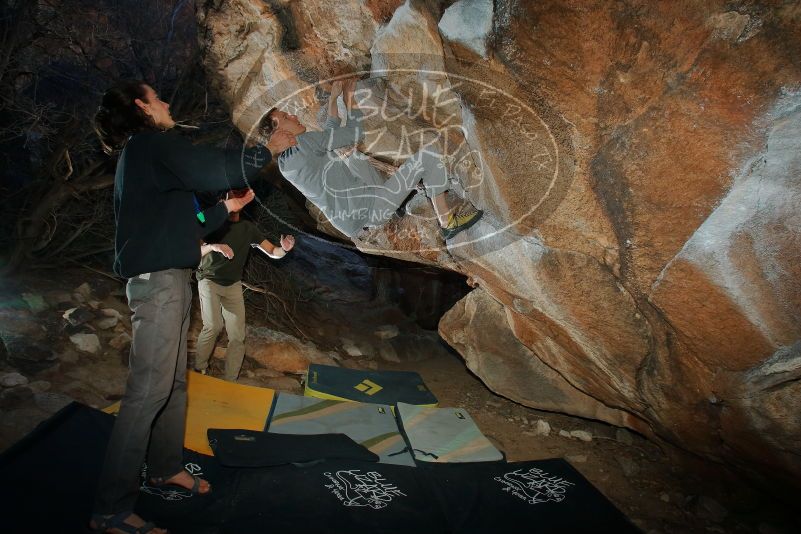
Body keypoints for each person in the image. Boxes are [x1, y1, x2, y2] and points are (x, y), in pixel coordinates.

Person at [90, 80, 295, 534]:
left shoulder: (144, 159)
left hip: (171, 280)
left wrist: (224, 208)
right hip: (159, 284)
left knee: (174, 386)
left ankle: (164, 468)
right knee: (147, 393)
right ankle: (110, 510)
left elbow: (190, 221)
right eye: (158, 98)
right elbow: (212, 170)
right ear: (142, 107)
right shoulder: (149, 144)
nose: (166, 102)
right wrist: (268, 147)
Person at [260, 78, 483, 240]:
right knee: (430, 155)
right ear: (278, 132)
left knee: (354, 159)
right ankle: (448, 223)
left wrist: (335, 98)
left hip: (354, 221)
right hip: (370, 212)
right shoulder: (304, 143)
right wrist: (349, 98)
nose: (293, 115)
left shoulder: (285, 162)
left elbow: (329, 134)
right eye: (285, 117)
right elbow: (355, 134)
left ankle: (399, 202)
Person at [194, 189, 295, 381]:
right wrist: (211, 245)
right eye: (232, 197)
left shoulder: (248, 228)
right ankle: (200, 369)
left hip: (232, 285)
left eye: (239, 198)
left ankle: (231, 378)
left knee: (237, 336)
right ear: (223, 199)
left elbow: (273, 251)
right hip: (209, 280)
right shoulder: (208, 219)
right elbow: (191, 247)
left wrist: (284, 249)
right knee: (213, 326)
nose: (236, 201)